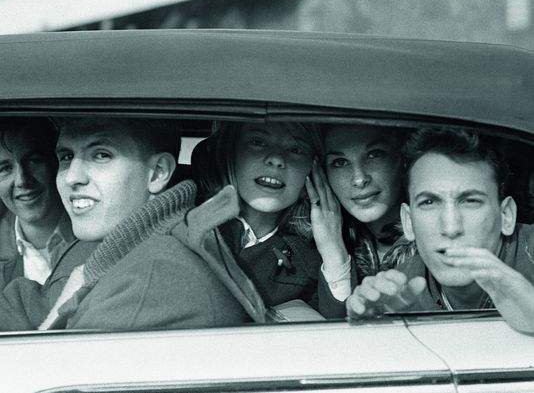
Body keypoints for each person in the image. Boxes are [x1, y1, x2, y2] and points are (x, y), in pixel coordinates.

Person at [0, 116, 259, 331]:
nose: (72, 178)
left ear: (158, 172)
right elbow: (31, 306)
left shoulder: (155, 281)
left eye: (101, 155)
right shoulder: (114, 247)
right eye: (67, 156)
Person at [346, 128, 534, 334]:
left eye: (471, 201)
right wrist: (367, 332)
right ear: (408, 222)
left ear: (506, 215)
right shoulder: (399, 291)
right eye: (429, 202)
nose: (451, 228)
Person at [192, 121, 348, 318]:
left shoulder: (308, 263)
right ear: (230, 154)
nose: (276, 159)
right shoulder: (188, 228)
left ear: (312, 171)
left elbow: (339, 328)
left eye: (295, 149)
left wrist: (333, 250)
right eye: (257, 142)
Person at [305, 125, 410, 302]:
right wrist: (333, 252)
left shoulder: (435, 242)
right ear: (323, 175)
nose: (360, 179)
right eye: (340, 162)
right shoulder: (311, 251)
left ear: (401, 160)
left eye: (374, 154)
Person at [0, 118, 75, 288]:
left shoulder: (95, 232)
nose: (22, 180)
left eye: (34, 160)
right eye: (5, 168)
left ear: (57, 161)